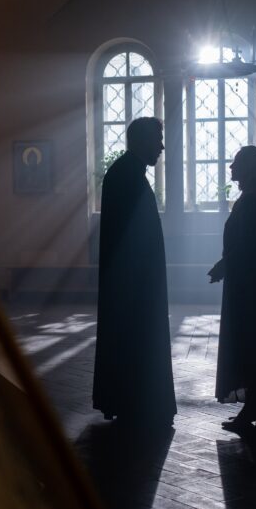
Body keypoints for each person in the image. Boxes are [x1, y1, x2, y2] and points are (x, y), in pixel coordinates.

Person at [93, 116, 176, 427]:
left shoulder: (128, 173)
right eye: (158, 140)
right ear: (141, 141)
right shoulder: (126, 176)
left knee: (133, 339)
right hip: (133, 283)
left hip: (134, 280)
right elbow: (131, 237)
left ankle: (132, 399)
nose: (162, 147)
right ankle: (136, 400)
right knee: (135, 338)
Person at [207, 146, 256, 434]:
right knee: (252, 343)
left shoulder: (249, 201)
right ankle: (255, 409)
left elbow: (246, 245)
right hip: (253, 280)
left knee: (247, 343)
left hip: (247, 284)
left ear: (248, 168)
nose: (231, 168)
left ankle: (254, 409)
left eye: (236, 164)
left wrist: (223, 265)